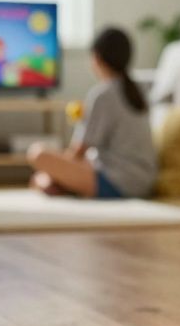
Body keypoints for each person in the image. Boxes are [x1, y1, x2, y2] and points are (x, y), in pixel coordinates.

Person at [28, 27, 157, 200]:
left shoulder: (102, 95)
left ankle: (56, 185)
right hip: (145, 182)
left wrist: (58, 171)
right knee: (43, 178)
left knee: (37, 154)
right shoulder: (140, 90)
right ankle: (59, 185)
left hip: (118, 182)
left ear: (97, 58)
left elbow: (78, 151)